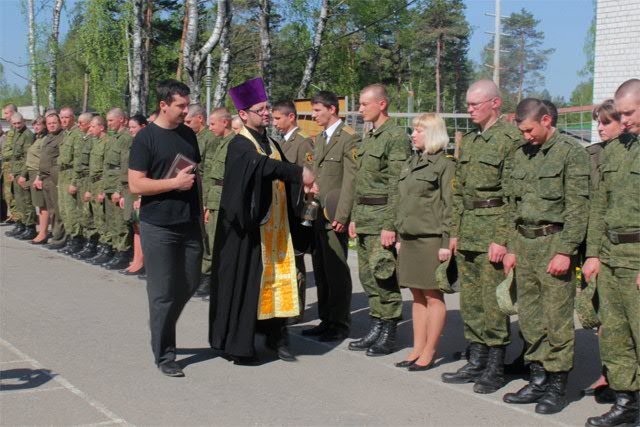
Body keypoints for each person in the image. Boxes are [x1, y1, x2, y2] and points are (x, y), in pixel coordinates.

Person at [208, 77, 316, 364]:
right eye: (261, 109)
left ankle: (276, 336)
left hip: (276, 229)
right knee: (248, 285)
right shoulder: (239, 145)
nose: (267, 113)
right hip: (248, 230)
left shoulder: (270, 142)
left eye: (268, 108)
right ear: (244, 114)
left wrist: (302, 186)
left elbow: (277, 171)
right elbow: (262, 167)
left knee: (278, 283)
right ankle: (240, 345)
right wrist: (297, 173)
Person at [502, 98, 590, 415]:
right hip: (524, 244)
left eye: (529, 130)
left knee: (556, 319)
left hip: (554, 243)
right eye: (521, 131)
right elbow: (513, 205)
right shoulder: (521, 154)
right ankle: (537, 377)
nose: (525, 136)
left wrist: (566, 250)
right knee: (530, 317)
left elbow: (578, 208)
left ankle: (556, 384)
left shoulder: (571, 153)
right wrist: (511, 246)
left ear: (545, 121)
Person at [441, 80, 521, 395]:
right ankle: (476, 359)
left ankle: (495, 366)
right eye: (468, 104)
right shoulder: (471, 141)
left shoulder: (510, 139)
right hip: (469, 230)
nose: (469, 109)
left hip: (492, 231)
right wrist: (455, 233)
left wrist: (503, 238)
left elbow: (513, 195)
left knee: (493, 304)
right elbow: (459, 191)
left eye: (475, 104)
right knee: (470, 301)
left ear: (495, 103)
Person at [129, 79, 203, 377]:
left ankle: (161, 322)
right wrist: (174, 183)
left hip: (188, 221)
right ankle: (165, 354)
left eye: (187, 105)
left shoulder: (187, 134)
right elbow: (136, 184)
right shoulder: (145, 139)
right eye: (180, 106)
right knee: (162, 292)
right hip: (158, 225)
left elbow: (192, 172)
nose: (186, 111)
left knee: (190, 281)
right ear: (163, 105)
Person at [582, 79, 640, 427]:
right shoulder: (616, 150)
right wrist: (593, 254)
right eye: (620, 114)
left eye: (629, 112)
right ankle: (626, 402)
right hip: (612, 254)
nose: (624, 119)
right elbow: (599, 209)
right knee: (616, 336)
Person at [346, 84, 411, 354]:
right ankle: (376, 324)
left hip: (382, 217)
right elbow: (361, 183)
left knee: (384, 275)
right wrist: (352, 217)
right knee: (368, 276)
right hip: (363, 217)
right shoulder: (369, 137)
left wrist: (390, 225)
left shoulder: (395, 136)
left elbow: (398, 184)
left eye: (364, 104)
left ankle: (390, 330)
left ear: (381, 104)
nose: (360, 110)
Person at [394, 113, 453, 370]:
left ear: (432, 134)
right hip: (409, 237)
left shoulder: (444, 165)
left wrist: (446, 241)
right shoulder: (411, 162)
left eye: (418, 130)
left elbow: (450, 205)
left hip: (431, 239)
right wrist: (398, 235)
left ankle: (430, 350)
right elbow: (402, 202)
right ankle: (417, 348)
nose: (413, 135)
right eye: (413, 130)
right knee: (416, 295)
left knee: (432, 296)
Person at [301, 91, 358, 342]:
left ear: (332, 109)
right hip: (317, 213)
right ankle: (326, 318)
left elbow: (351, 180)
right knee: (322, 269)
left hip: (334, 214)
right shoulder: (321, 138)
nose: (313, 116)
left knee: (336, 269)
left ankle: (340, 321)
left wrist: (343, 215)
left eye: (317, 111)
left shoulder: (348, 139)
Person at [579, 100, 624, 399]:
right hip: (594, 245)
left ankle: (622, 379)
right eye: (598, 121)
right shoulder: (591, 155)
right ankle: (607, 373)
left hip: (622, 247)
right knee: (601, 317)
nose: (600, 127)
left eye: (607, 122)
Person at [271, 99, 315, 322]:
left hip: (295, 208)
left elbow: (308, 175)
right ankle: (284, 302)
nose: (274, 122)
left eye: (278, 118)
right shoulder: (281, 142)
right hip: (281, 207)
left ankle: (296, 307)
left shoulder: (303, 142)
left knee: (296, 258)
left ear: (291, 117)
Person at [195, 107, 234, 299]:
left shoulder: (233, 144)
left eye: (213, 123)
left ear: (225, 122)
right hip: (214, 198)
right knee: (212, 240)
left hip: (224, 200)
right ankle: (212, 281)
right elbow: (210, 174)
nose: (210, 127)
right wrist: (207, 203)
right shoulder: (220, 143)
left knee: (222, 243)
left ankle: (222, 284)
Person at [185, 104, 219, 295]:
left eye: (189, 121)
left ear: (200, 118)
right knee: (197, 235)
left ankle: (207, 276)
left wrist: (205, 200)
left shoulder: (210, 139)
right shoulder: (194, 137)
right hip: (192, 190)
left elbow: (208, 173)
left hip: (203, 192)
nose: (187, 125)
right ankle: (199, 273)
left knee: (207, 237)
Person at [99, 108, 133, 270]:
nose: (109, 123)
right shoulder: (113, 138)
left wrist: (119, 190)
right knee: (111, 220)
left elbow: (125, 167)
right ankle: (114, 249)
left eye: (111, 120)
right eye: (108, 121)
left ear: (121, 120)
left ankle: (123, 253)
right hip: (109, 184)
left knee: (120, 222)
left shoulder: (126, 139)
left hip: (118, 185)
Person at [119, 114, 147, 275]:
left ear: (143, 127)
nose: (130, 130)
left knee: (141, 226)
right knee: (135, 225)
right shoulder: (135, 142)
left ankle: (143, 263)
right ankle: (137, 260)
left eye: (133, 127)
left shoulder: (146, 144)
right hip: (131, 188)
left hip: (141, 190)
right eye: (129, 127)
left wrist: (141, 196)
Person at [35, 113, 66, 249]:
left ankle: (59, 238)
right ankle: (55, 235)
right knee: (51, 208)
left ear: (59, 123)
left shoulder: (62, 137)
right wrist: (39, 176)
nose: (52, 125)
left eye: (54, 122)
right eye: (49, 123)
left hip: (54, 178)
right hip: (45, 177)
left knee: (57, 209)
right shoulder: (48, 138)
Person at [70, 113, 99, 258]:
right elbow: (78, 163)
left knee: (89, 213)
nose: (78, 125)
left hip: (89, 180)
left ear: (89, 124)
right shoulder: (83, 139)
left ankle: (92, 243)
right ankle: (87, 241)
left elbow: (93, 165)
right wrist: (75, 182)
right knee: (82, 212)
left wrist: (88, 188)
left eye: (81, 123)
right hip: (81, 179)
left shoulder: (94, 140)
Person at [81, 116, 109, 262]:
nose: (90, 129)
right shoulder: (94, 142)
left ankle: (106, 248)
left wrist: (103, 190)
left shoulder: (107, 143)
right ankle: (94, 244)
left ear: (101, 127)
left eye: (93, 126)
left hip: (101, 183)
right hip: (92, 183)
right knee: (90, 215)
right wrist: (88, 189)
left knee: (101, 217)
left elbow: (107, 169)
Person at [57, 107, 85, 254]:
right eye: (61, 117)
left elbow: (78, 161)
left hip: (70, 174)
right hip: (62, 174)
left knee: (71, 210)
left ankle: (76, 239)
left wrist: (74, 182)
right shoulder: (66, 134)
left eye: (66, 117)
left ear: (73, 118)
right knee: (63, 209)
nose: (63, 120)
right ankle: (69, 236)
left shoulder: (76, 134)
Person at [6, 112, 36, 240]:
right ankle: (22, 224)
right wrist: (13, 172)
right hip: (16, 171)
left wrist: (23, 174)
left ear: (23, 121)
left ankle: (30, 227)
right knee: (18, 201)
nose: (17, 125)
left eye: (19, 123)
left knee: (26, 201)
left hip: (24, 173)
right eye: (14, 123)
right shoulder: (16, 134)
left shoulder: (27, 135)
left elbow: (27, 158)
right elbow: (14, 156)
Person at [20, 117, 49, 244]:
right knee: (39, 204)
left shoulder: (44, 140)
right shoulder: (37, 138)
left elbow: (43, 160)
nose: (36, 127)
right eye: (34, 125)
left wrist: (39, 176)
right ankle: (42, 231)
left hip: (38, 173)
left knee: (43, 205)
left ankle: (43, 233)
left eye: (39, 125)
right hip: (31, 173)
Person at [1, 103, 18, 225]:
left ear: (13, 113)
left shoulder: (17, 130)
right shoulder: (10, 132)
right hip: (6, 166)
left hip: (14, 166)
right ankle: (14, 216)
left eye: (6, 113)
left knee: (15, 194)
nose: (5, 116)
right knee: (8, 194)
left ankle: (18, 219)